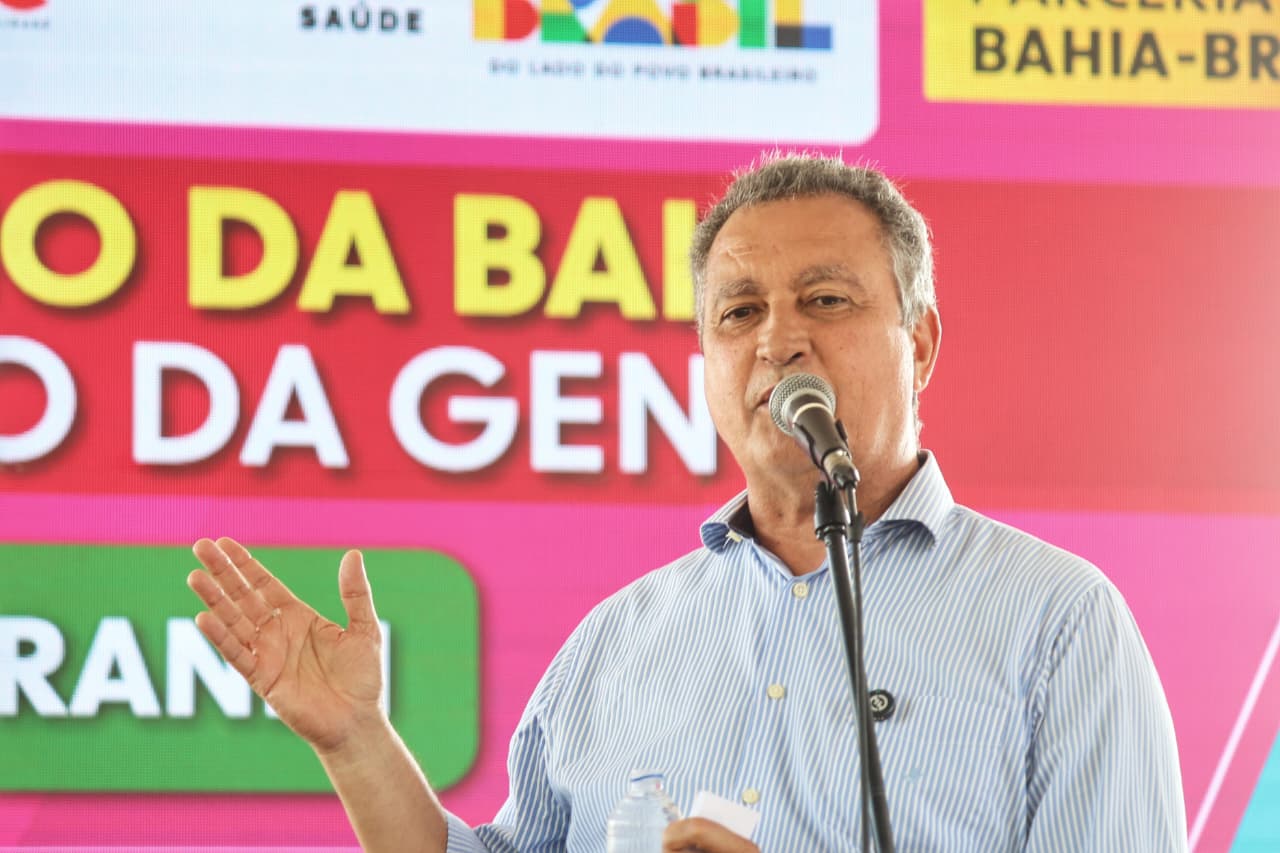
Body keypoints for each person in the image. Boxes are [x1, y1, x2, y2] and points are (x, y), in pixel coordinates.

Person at [187, 154, 1187, 851]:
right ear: (705, 364)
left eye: (825, 300)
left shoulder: (1055, 622)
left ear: (917, 342)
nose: (778, 341)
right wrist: (356, 740)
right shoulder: (615, 641)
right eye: (739, 313)